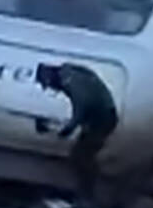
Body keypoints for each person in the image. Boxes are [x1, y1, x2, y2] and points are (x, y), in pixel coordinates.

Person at [38, 62, 119, 200]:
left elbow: (81, 107)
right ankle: (86, 193)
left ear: (50, 78)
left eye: (49, 85)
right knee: (81, 155)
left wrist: (68, 129)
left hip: (103, 119)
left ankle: (89, 196)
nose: (53, 89)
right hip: (98, 119)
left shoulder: (71, 81)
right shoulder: (70, 74)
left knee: (81, 157)